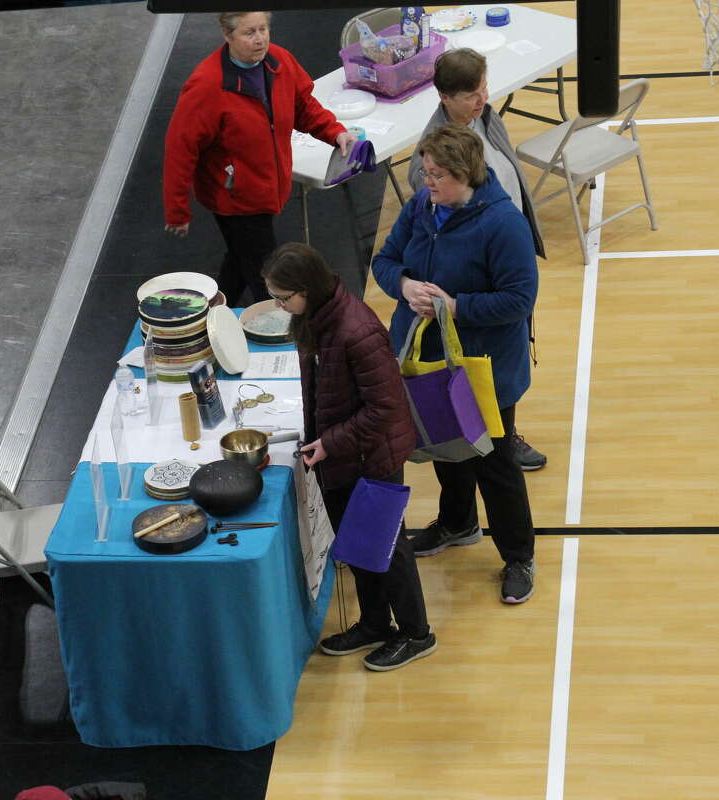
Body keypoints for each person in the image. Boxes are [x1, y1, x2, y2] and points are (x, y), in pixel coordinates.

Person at [372, 126, 539, 604]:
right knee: (445, 446)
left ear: (465, 175)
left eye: (437, 175)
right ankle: (458, 523)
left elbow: (519, 298)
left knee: (494, 463)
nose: (427, 183)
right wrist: (404, 286)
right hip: (427, 358)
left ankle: (518, 555)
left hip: (482, 368)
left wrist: (455, 306)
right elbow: (384, 261)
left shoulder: (503, 224)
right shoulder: (421, 208)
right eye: (425, 173)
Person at [262, 242, 433, 671]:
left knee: (388, 550)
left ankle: (416, 634)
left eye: (284, 298)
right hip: (340, 456)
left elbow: (386, 409)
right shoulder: (315, 319)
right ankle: (375, 623)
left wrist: (330, 441)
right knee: (358, 548)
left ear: (307, 288)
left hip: (370, 458)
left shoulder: (358, 330)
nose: (281, 307)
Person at [407, 47, 548, 471]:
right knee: (487, 366)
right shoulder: (430, 163)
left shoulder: (484, 116)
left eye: (483, 86)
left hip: (507, 254)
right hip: (474, 277)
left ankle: (503, 433)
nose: (482, 97)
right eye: (471, 93)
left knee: (513, 349)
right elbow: (426, 236)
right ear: (445, 98)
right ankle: (492, 438)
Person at [163, 11, 357, 305]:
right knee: (265, 274)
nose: (260, 39)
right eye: (249, 32)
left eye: (263, 29)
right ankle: (277, 329)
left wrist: (334, 131)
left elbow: (302, 105)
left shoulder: (279, 60)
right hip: (236, 198)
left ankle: (213, 310)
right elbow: (180, 149)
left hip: (267, 185)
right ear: (227, 35)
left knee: (240, 256)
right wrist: (177, 210)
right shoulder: (206, 86)